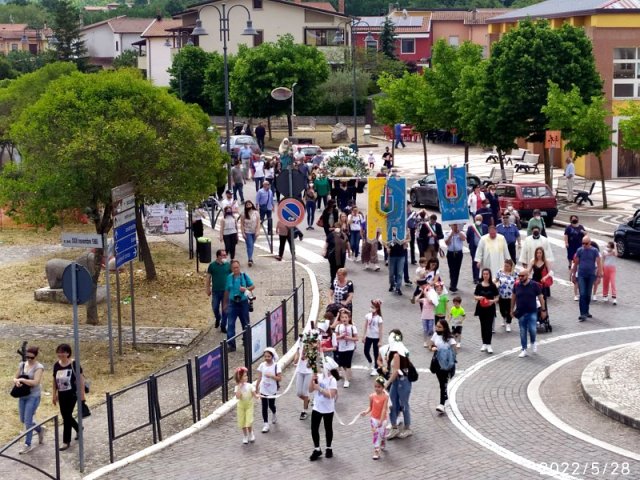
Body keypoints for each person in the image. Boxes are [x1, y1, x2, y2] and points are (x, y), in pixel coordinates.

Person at [52, 343, 85, 451]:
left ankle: (66, 441)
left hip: (72, 393)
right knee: (65, 415)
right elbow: (54, 381)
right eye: (59, 352)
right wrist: (54, 394)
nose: (60, 354)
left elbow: (80, 379)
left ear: (68, 353)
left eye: (63, 352)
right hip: (61, 394)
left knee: (66, 416)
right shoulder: (56, 365)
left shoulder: (74, 363)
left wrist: (82, 394)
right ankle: (78, 428)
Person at [14, 346, 45, 454]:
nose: (29, 359)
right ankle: (40, 429)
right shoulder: (22, 364)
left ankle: (27, 444)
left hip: (33, 396)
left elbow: (36, 382)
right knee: (23, 419)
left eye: (31, 358)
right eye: (27, 357)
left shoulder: (39, 367)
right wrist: (17, 381)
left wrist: (22, 380)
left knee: (27, 421)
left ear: (36, 357)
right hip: (23, 396)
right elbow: (15, 377)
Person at [384, 329, 413, 439]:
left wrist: (387, 383)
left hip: (402, 381)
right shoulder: (397, 351)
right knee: (392, 403)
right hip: (398, 381)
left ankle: (407, 428)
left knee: (403, 404)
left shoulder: (397, 354)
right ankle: (394, 427)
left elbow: (396, 371)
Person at [511, 269, 546, 358]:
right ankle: (524, 349)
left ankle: (533, 342)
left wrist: (543, 310)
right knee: (522, 331)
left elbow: (541, 297)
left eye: (522, 276)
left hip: (532, 311)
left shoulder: (534, 285)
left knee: (532, 330)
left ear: (527, 275)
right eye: (519, 276)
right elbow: (513, 297)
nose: (520, 277)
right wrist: (511, 309)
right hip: (521, 312)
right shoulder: (517, 285)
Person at [223, 260, 255, 351]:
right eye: (234, 268)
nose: (236, 269)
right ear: (231, 269)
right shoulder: (229, 277)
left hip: (243, 303)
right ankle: (231, 345)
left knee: (245, 323)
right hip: (232, 303)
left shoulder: (244, 276)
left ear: (239, 267)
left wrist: (245, 289)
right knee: (230, 324)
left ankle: (246, 341)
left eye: (237, 267)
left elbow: (252, 286)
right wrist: (225, 304)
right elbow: (226, 291)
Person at [308, 364, 338, 461]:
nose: (321, 368)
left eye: (323, 366)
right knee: (314, 428)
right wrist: (311, 380)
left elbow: (331, 395)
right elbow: (310, 389)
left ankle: (329, 448)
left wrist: (319, 389)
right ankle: (317, 449)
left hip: (328, 409)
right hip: (317, 407)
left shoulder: (332, 380)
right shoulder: (319, 377)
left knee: (328, 428)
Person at [571, 236, 602, 321]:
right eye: (583, 243)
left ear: (590, 243)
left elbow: (599, 263)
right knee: (583, 293)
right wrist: (573, 275)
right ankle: (582, 314)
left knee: (588, 294)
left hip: (591, 275)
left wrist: (599, 275)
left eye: (586, 243)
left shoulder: (594, 251)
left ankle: (586, 311)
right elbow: (575, 263)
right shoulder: (579, 250)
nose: (584, 245)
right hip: (581, 275)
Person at [430, 319, 458, 413]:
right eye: (437, 326)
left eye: (439, 327)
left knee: (443, 383)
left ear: (444, 328)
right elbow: (431, 345)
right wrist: (433, 348)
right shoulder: (435, 335)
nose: (437, 328)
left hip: (446, 364)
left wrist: (448, 354)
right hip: (437, 362)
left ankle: (442, 404)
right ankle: (445, 398)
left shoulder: (450, 338)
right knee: (441, 382)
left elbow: (455, 350)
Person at [359, 376, 389, 460]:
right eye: (375, 386)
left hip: (383, 419)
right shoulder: (371, 396)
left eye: (379, 387)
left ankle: (383, 440)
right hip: (373, 418)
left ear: (383, 387)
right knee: (375, 434)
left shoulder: (385, 397)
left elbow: (384, 409)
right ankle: (376, 450)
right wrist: (365, 412)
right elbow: (370, 407)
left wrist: (381, 420)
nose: (377, 388)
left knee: (382, 433)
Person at [474, 268, 499, 354]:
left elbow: (497, 297)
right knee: (483, 325)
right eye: (484, 274)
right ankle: (484, 343)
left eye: (487, 274)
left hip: (490, 308)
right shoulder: (479, 285)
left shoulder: (493, 286)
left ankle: (489, 344)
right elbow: (475, 296)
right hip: (481, 307)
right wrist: (479, 298)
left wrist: (492, 301)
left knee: (489, 326)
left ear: (489, 275)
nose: (485, 275)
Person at [256, 347, 281, 433]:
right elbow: (259, 378)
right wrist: (256, 389)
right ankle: (266, 424)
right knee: (264, 406)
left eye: (268, 356)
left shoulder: (276, 366)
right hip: (263, 389)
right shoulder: (262, 365)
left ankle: (274, 413)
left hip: (272, 389)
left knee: (271, 405)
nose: (266, 358)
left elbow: (279, 378)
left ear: (272, 356)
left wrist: (271, 376)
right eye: (265, 356)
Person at [206, 249, 231, 331]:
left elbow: (232, 276)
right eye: (223, 255)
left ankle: (223, 326)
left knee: (225, 309)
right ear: (218, 256)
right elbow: (208, 278)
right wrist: (207, 289)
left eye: (225, 255)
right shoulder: (212, 266)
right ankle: (218, 317)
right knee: (215, 307)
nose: (225, 257)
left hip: (226, 292)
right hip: (216, 291)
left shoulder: (228, 265)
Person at [333, 308, 358, 388]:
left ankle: (346, 380)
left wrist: (349, 338)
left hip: (350, 348)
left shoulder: (352, 327)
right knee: (341, 363)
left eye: (346, 317)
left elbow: (356, 338)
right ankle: (346, 377)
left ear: (349, 318)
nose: (344, 319)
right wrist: (340, 336)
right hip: (341, 347)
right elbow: (335, 337)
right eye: (342, 317)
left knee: (347, 363)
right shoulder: (338, 327)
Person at [234, 367, 258, 444]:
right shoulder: (237, 387)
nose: (246, 377)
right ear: (240, 378)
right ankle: (245, 435)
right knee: (242, 422)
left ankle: (251, 433)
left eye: (246, 375)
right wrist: (239, 388)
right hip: (241, 407)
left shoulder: (250, 386)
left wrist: (257, 396)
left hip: (249, 406)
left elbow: (255, 395)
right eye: (244, 376)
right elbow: (238, 397)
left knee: (249, 421)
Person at [362, 299, 383, 376]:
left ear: (377, 308)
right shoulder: (368, 316)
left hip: (376, 338)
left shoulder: (379, 318)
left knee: (376, 353)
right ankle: (370, 361)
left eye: (373, 307)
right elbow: (365, 326)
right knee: (366, 351)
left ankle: (375, 367)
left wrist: (380, 340)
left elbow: (380, 330)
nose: (371, 308)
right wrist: (363, 335)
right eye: (371, 306)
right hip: (368, 336)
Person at [293, 334, 312, 420]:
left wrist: (306, 355)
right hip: (300, 371)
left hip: (308, 373)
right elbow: (296, 359)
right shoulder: (299, 349)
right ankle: (306, 400)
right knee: (298, 393)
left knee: (305, 392)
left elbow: (310, 364)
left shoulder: (312, 350)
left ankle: (304, 411)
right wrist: (298, 354)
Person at [495, 259, 517, 333]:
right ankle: (503, 317)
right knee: (502, 309)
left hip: (511, 295)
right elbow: (496, 280)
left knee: (510, 309)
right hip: (501, 294)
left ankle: (508, 323)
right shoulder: (500, 272)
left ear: (511, 267)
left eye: (507, 266)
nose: (506, 267)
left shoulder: (514, 273)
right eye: (505, 266)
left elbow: (517, 282)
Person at [386, 228, 408, 295]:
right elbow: (385, 241)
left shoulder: (402, 233)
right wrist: (387, 247)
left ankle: (398, 287)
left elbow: (408, 239)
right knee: (391, 273)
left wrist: (406, 243)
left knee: (400, 273)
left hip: (401, 255)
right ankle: (392, 284)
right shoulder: (389, 234)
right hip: (392, 255)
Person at [466, 215, 488, 283]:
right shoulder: (471, 227)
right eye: (477, 219)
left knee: (483, 262)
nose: (478, 220)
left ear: (482, 220)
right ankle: (475, 278)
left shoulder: (485, 227)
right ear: (475, 220)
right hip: (474, 247)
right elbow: (468, 238)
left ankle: (482, 276)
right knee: (475, 262)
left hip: (483, 248)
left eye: (479, 219)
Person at [444, 223, 465, 292]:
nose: (455, 226)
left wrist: (458, 232)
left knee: (457, 269)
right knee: (451, 269)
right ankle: (452, 283)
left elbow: (463, 239)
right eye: (453, 225)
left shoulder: (461, 232)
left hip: (458, 253)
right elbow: (447, 243)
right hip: (450, 253)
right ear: (450, 226)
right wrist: (451, 235)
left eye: (456, 225)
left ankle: (454, 284)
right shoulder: (447, 233)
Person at [417, 283, 439, 348]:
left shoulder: (433, 300)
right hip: (424, 317)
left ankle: (430, 342)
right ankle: (425, 342)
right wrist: (421, 293)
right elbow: (416, 300)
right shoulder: (424, 300)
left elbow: (430, 301)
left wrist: (426, 292)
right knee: (425, 330)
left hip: (431, 317)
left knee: (430, 330)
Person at [240, 201, 260, 267]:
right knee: (250, 245)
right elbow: (242, 224)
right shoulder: (243, 214)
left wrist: (257, 231)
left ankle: (250, 256)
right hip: (247, 231)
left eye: (249, 204)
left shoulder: (256, 213)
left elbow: (258, 223)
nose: (248, 206)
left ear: (252, 204)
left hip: (254, 231)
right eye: (247, 205)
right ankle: (250, 259)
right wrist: (243, 232)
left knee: (251, 245)